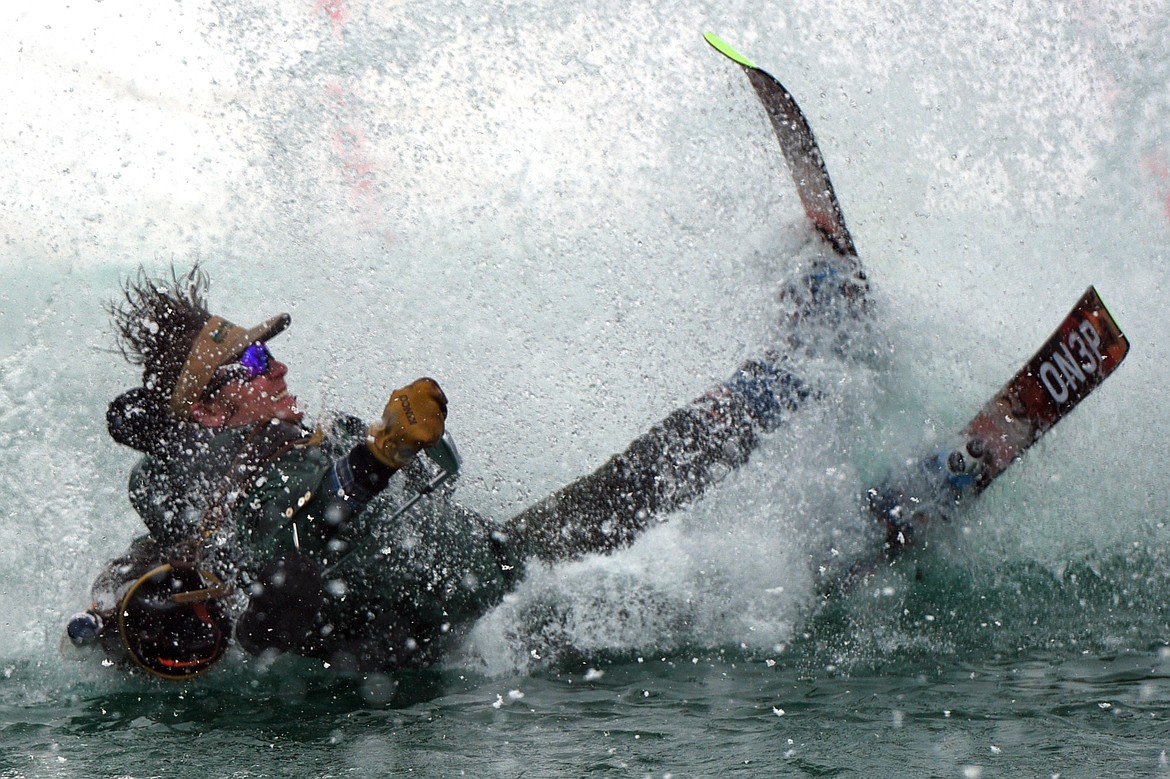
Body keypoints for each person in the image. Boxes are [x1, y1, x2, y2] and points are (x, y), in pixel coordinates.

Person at [65, 256, 866, 680]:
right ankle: (810, 373)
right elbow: (307, 532)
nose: (273, 365)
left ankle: (793, 379)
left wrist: (378, 450)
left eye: (265, 347)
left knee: (643, 485)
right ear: (209, 408)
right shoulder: (256, 486)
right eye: (251, 358)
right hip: (507, 617)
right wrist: (379, 457)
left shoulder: (232, 476)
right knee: (656, 488)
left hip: (493, 572)